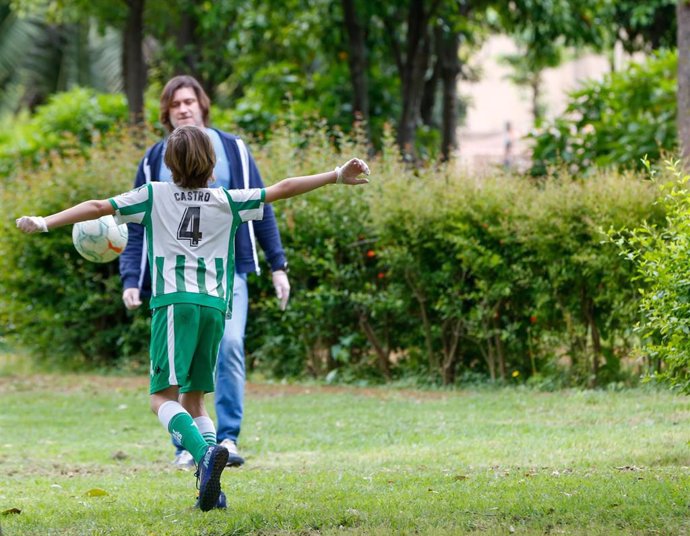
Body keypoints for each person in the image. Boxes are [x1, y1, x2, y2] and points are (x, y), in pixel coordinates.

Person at [16, 124, 371, 510]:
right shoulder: (226, 199)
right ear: (211, 162)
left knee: (160, 398)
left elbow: (100, 208)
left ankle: (204, 454)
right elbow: (282, 188)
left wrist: (46, 221)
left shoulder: (153, 195)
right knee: (195, 401)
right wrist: (336, 175)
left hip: (174, 305)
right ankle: (213, 492)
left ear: (169, 165)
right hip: (215, 309)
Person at [119, 75, 290, 469]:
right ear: (167, 112)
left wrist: (277, 264)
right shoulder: (153, 160)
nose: (183, 108)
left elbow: (265, 205)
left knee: (229, 348)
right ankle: (190, 448)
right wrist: (131, 277)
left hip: (226, 275)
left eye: (189, 101)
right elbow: (134, 225)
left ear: (202, 106)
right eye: (175, 103)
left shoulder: (235, 150)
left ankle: (226, 440)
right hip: (174, 281)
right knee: (178, 380)